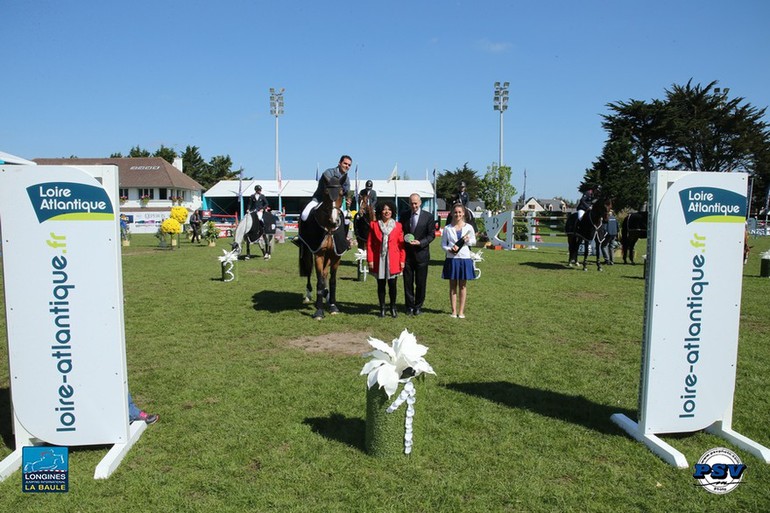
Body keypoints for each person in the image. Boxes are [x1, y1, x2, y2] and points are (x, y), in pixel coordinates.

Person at [367, 201, 406, 318]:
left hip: (393, 260)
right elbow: (369, 244)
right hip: (379, 259)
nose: (387, 211)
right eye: (384, 209)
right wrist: (370, 260)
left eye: (389, 209)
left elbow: (401, 245)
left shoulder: (398, 226)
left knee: (392, 285)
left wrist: (402, 260)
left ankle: (393, 307)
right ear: (380, 211)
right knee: (381, 285)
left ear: (392, 211)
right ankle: (382, 308)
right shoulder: (374, 225)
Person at [399, 193, 435, 316]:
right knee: (407, 282)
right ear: (409, 203)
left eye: (416, 203)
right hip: (408, 255)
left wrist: (421, 242)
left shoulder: (428, 217)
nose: (414, 205)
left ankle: (418, 306)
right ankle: (409, 306)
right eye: (411, 203)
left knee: (420, 283)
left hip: (422, 254)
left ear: (420, 203)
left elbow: (431, 235)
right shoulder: (404, 216)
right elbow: (400, 232)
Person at [441, 203, 477, 319]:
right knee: (452, 286)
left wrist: (466, 241)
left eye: (460, 212)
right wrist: (449, 250)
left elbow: (474, 242)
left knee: (462, 286)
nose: (457, 214)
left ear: (463, 213)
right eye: (455, 212)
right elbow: (443, 244)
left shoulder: (468, 227)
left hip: (465, 258)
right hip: (452, 259)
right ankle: (453, 311)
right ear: (452, 213)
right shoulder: (447, 228)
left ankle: (461, 311)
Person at [301, 155, 352, 221]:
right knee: (304, 215)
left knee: (346, 220)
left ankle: (345, 231)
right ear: (339, 163)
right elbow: (331, 190)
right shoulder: (328, 173)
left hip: (336, 204)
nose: (347, 166)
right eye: (345, 163)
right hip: (319, 199)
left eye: (349, 165)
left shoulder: (346, 178)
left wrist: (348, 199)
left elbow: (346, 192)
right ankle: (303, 231)